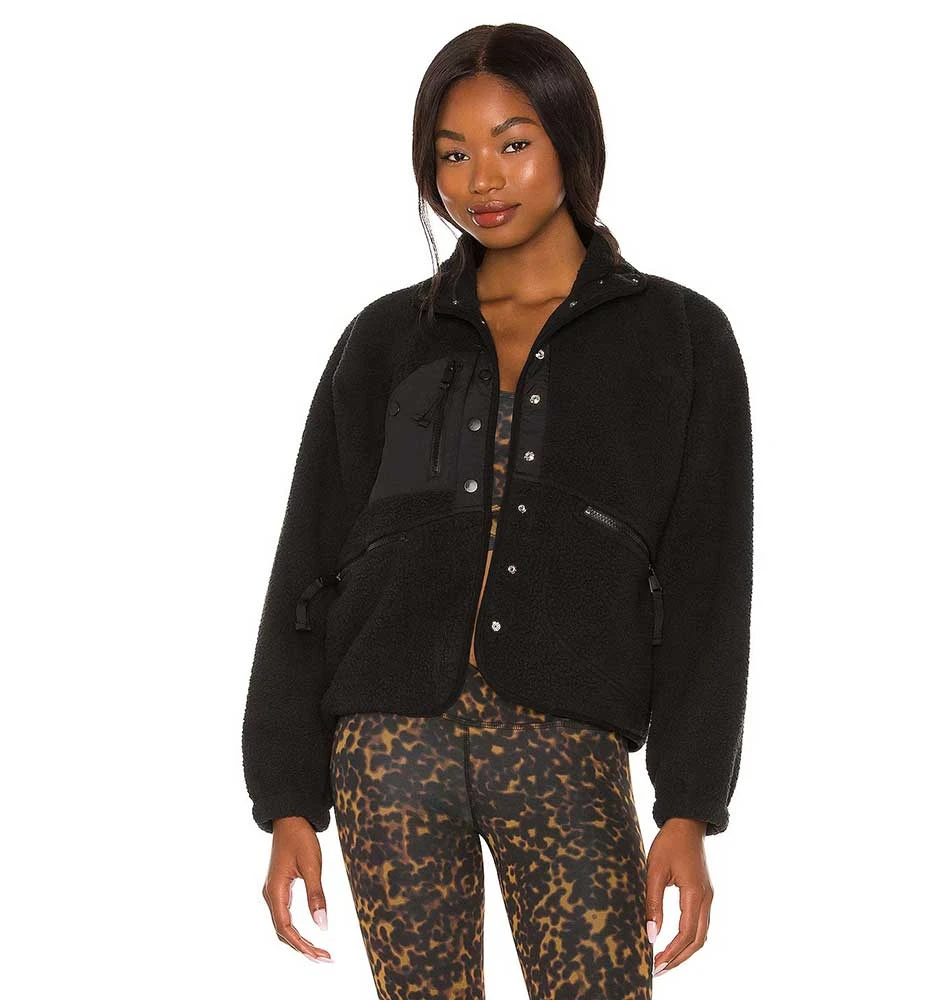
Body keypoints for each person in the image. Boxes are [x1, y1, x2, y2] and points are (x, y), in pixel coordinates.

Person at [241, 22, 753, 1000]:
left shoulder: (678, 337)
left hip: (563, 739)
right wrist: (287, 796)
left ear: (571, 139)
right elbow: (309, 562)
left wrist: (688, 805)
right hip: (387, 745)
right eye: (451, 154)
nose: (481, 178)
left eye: (513, 142)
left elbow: (707, 581)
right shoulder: (386, 338)